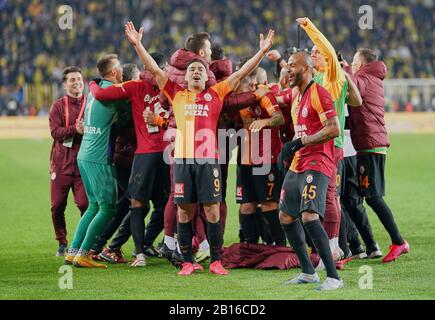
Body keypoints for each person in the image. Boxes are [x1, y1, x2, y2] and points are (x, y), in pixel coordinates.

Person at [124, 21, 275, 276]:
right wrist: (138, 44)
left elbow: (239, 75)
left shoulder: (216, 94)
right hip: (183, 161)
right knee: (185, 210)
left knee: (212, 208)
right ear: (187, 76)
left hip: (208, 161)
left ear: (207, 77)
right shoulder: (177, 94)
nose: (196, 71)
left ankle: (215, 260)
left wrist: (261, 53)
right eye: (192, 69)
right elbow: (153, 69)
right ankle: (186, 261)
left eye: (200, 70)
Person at [88, 55, 171, 267]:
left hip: (144, 155)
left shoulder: (134, 86)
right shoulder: (173, 87)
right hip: (169, 153)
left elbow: (101, 94)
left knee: (136, 204)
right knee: (170, 203)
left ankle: (140, 253)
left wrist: (92, 82)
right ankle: (170, 247)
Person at [296, 17, 362, 268]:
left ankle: (333, 250)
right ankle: (328, 248)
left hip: (330, 148)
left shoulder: (334, 77)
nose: (313, 54)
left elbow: (327, 50)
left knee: (330, 197)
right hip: (312, 147)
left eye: (317, 52)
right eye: (311, 52)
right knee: (317, 199)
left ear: (329, 57)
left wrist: (309, 27)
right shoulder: (314, 81)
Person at [278, 51, 343, 291]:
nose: (288, 70)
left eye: (293, 66)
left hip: (318, 160)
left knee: (309, 216)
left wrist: (300, 143)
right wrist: (290, 150)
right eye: (287, 66)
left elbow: (334, 129)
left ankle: (334, 277)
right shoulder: (297, 96)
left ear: (307, 69)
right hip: (299, 162)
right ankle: (308, 272)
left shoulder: (320, 93)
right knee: (285, 216)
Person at [343, 48, 409, 262]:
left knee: (373, 197)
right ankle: (388, 243)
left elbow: (352, 87)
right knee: (369, 197)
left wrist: (341, 68)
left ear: (360, 65)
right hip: (370, 144)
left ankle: (399, 241)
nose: (351, 64)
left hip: (371, 145)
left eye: (353, 62)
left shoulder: (363, 78)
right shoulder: (370, 77)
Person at [64, 54, 124, 268]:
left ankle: (73, 252)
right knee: (107, 207)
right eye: (119, 68)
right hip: (99, 157)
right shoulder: (112, 92)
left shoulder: (94, 91)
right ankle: (84, 253)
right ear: (115, 72)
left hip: (85, 155)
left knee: (93, 207)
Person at [49, 66, 88, 256]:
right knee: (57, 206)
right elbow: (55, 132)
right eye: (72, 80)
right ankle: (62, 242)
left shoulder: (91, 104)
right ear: (65, 85)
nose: (77, 82)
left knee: (85, 205)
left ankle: (83, 242)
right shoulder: (57, 106)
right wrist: (75, 129)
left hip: (83, 164)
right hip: (61, 163)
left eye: (79, 79)